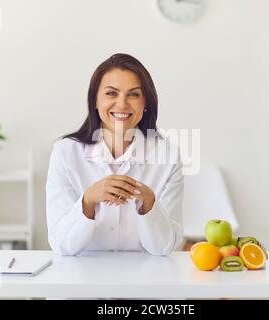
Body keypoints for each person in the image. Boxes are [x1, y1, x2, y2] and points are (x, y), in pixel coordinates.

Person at [46, 53, 183, 256]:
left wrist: (149, 203)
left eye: (134, 94)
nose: (122, 104)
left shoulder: (168, 156)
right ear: (95, 100)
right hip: (81, 277)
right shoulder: (65, 152)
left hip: (147, 278)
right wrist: (88, 201)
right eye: (111, 93)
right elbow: (61, 245)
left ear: (146, 103)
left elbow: (165, 248)